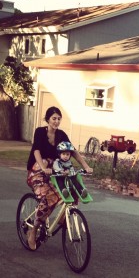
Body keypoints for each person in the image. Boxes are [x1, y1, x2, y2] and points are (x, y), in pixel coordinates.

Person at [26, 106, 93, 250]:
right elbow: (36, 151)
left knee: (70, 189)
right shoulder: (40, 132)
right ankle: (33, 231)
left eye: (58, 119)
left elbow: (73, 151)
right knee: (47, 199)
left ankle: (64, 215)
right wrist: (43, 168)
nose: (56, 122)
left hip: (56, 170)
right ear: (48, 119)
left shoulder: (61, 134)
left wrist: (86, 166)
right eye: (54, 118)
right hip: (38, 170)